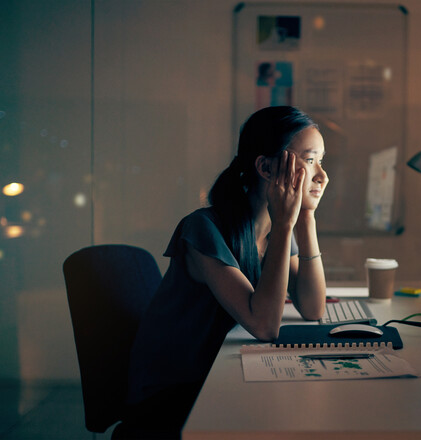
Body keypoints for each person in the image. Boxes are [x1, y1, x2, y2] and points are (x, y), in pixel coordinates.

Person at [117, 106, 329, 439]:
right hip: (173, 394)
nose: (321, 176)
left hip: (217, 374)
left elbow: (313, 308)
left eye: (321, 161)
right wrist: (288, 221)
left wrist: (306, 218)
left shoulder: (272, 231)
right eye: (310, 160)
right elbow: (264, 326)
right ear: (265, 167)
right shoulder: (203, 229)